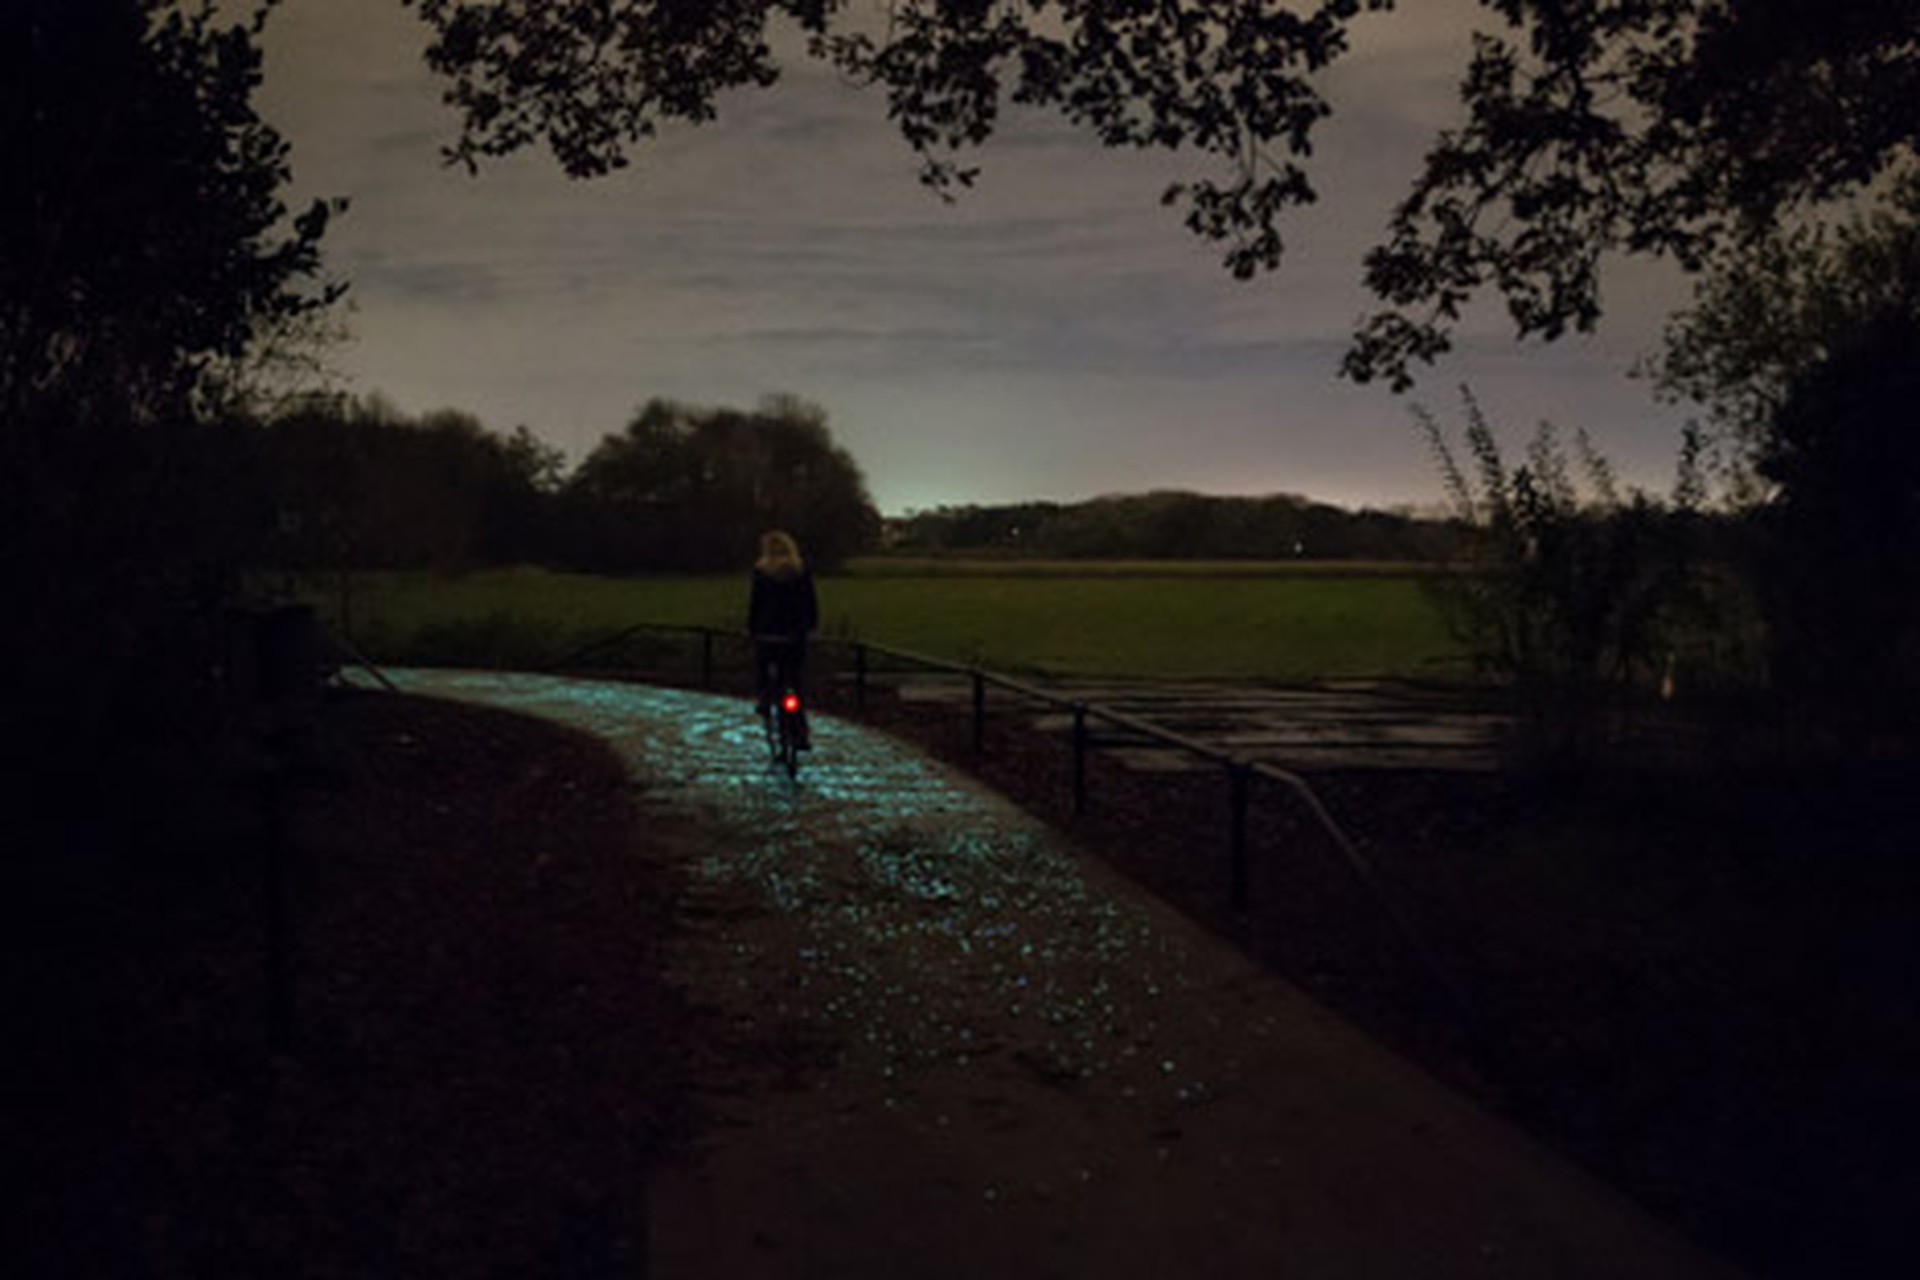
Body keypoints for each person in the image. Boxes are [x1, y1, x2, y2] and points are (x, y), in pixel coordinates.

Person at [748, 529, 818, 747]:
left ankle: (764, 698)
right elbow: (810, 601)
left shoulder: (761, 572)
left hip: (768, 632)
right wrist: (811, 625)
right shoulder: (800, 571)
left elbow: (756, 604)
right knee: (795, 681)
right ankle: (800, 734)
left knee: (763, 666)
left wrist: (752, 628)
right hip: (795, 634)